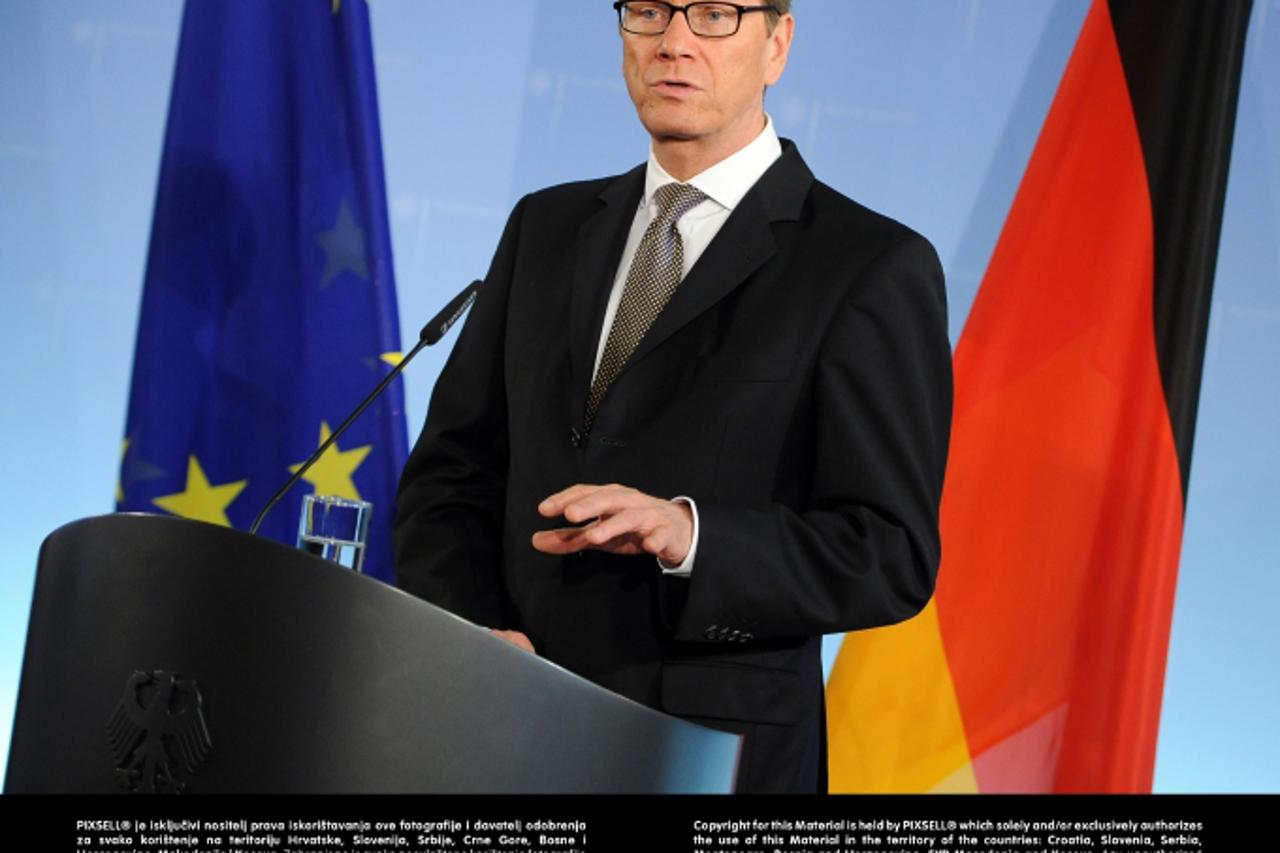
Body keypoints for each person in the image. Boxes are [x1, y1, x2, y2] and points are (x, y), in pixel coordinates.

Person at [393, 0, 952, 794]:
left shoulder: (866, 265)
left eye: (716, 14)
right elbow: (450, 478)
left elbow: (887, 552)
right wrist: (477, 630)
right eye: (649, 12)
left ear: (778, 44)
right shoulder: (545, 225)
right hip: (502, 735)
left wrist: (691, 533)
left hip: (707, 754)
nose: (674, 42)